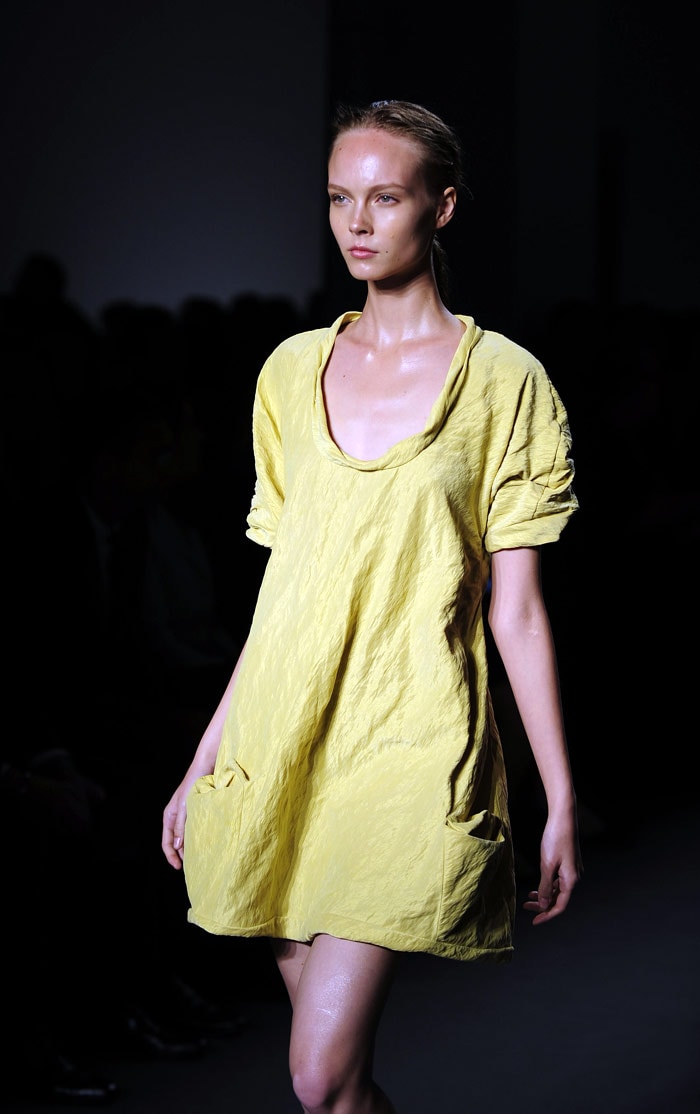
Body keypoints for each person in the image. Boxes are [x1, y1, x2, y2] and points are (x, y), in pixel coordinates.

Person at [162, 98, 583, 1114]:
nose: (356, 222)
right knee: (339, 1088)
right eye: (338, 199)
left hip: (409, 739)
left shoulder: (504, 383)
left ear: (439, 207)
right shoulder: (289, 371)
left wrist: (559, 792)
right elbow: (286, 591)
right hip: (281, 734)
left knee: (313, 1073)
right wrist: (206, 751)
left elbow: (513, 608)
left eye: (383, 198)